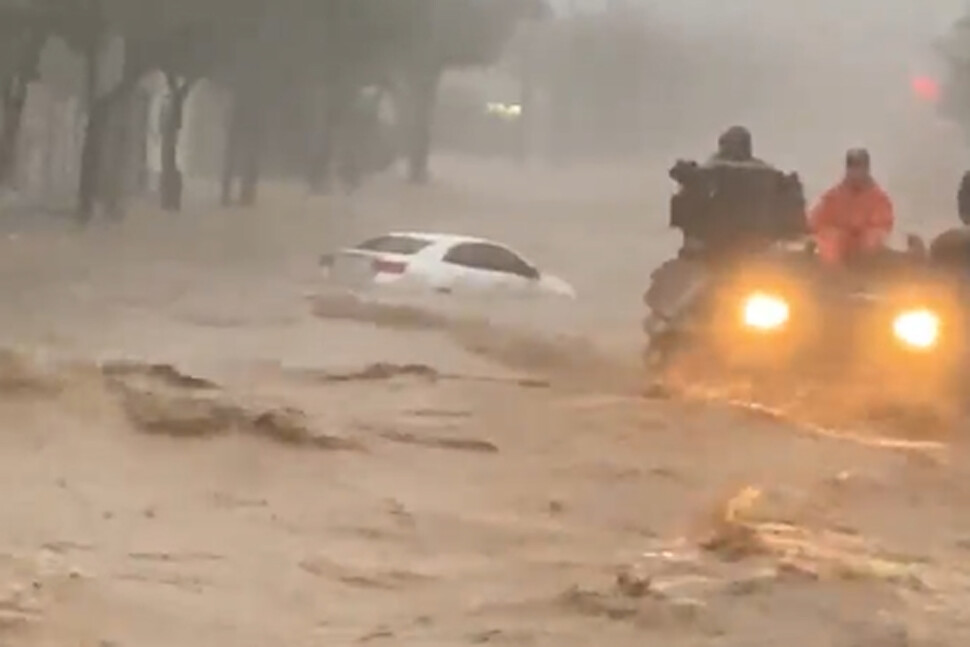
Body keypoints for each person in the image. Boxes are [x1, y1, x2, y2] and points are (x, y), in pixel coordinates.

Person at [808, 148, 894, 266]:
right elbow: (817, 219)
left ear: (866, 169)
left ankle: (867, 272)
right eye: (852, 167)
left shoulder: (878, 198)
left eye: (859, 167)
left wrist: (865, 233)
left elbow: (883, 224)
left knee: (872, 237)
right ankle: (832, 276)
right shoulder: (833, 196)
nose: (856, 172)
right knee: (829, 238)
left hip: (866, 254)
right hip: (838, 252)